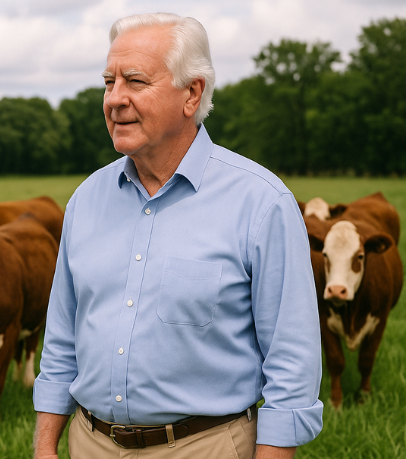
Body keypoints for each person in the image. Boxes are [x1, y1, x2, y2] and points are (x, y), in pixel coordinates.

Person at [32, 12, 323, 459]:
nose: (115, 99)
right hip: (89, 444)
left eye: (135, 81)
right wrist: (45, 445)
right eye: (109, 82)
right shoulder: (86, 200)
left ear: (192, 94)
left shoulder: (261, 203)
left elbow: (292, 362)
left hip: (204, 447)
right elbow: (62, 341)